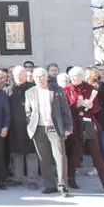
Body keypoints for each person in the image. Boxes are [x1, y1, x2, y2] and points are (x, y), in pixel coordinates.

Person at [63, 67, 104, 193]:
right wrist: (76, 105)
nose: (76, 79)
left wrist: (90, 106)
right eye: (73, 77)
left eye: (78, 76)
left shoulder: (90, 89)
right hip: (74, 123)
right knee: (75, 152)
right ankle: (71, 179)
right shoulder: (66, 90)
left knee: (96, 153)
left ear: (82, 77)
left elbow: (97, 107)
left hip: (88, 122)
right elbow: (65, 108)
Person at [25, 68, 72, 197]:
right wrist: (30, 126)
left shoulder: (57, 91)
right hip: (38, 129)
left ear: (46, 77)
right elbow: (28, 112)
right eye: (36, 77)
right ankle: (50, 185)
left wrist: (68, 127)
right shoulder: (29, 92)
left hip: (54, 128)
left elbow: (65, 110)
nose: (39, 79)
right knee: (43, 158)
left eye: (41, 76)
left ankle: (62, 185)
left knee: (60, 157)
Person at [7, 66, 38, 190]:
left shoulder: (33, 89)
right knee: (17, 153)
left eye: (21, 74)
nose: (19, 77)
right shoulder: (8, 90)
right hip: (14, 127)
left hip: (31, 125)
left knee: (31, 154)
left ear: (26, 75)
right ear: (13, 76)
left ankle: (32, 180)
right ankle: (17, 178)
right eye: (17, 75)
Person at [85, 67, 104, 180]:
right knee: (94, 144)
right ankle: (96, 167)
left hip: (102, 119)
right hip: (90, 117)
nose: (97, 74)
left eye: (97, 72)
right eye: (94, 72)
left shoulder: (101, 85)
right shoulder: (84, 86)